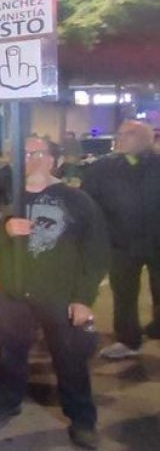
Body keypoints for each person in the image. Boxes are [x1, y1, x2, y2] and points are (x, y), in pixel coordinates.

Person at [0, 137, 109, 450]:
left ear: (52, 160)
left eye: (36, 152)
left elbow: (96, 252)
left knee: (70, 356)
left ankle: (82, 418)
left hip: (59, 293)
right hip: (10, 292)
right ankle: (5, 401)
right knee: (10, 351)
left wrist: (83, 298)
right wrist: (3, 231)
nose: (28, 158)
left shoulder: (76, 200)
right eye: (22, 152)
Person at [80, 120, 160, 360]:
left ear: (147, 139)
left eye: (130, 134)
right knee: (124, 294)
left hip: (158, 243)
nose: (121, 138)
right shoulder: (102, 168)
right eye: (120, 133)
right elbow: (87, 203)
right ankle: (127, 339)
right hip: (120, 244)